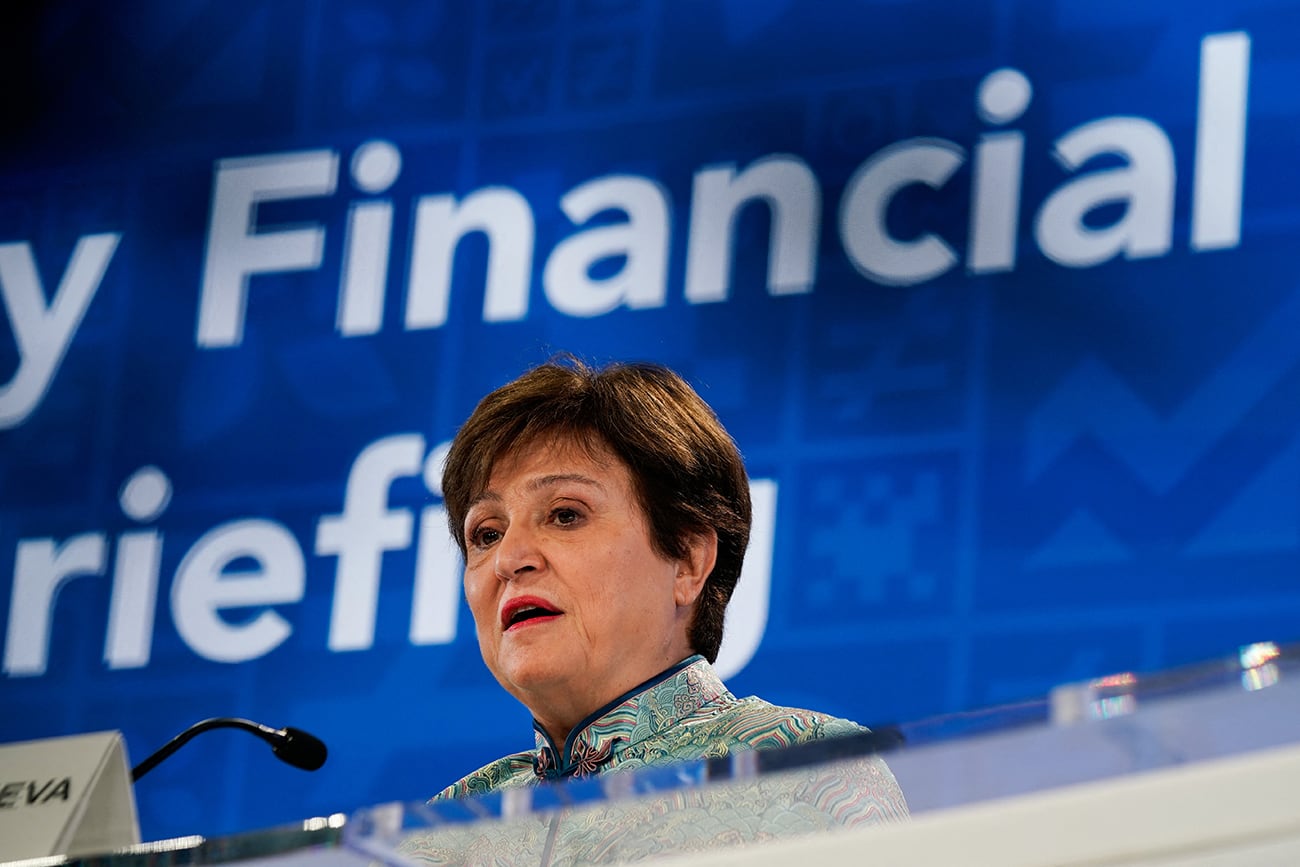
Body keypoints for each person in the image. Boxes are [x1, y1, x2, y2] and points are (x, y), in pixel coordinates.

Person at [412, 357, 906, 859]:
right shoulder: (441, 831)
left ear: (688, 560)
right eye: (486, 534)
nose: (509, 559)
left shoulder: (802, 767)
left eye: (565, 515)